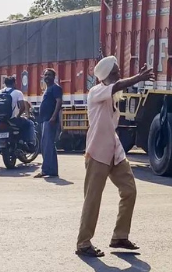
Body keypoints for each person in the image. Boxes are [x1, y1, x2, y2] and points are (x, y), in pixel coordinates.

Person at [76, 56, 154, 258]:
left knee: (129, 190)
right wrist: (138, 78)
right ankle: (83, 243)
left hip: (115, 152)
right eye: (115, 72)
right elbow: (118, 85)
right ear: (106, 76)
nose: (119, 75)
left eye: (118, 71)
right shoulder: (96, 92)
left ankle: (120, 236)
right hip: (97, 153)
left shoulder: (112, 96)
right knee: (92, 199)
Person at [0, 75, 34, 168]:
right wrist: (18, 116)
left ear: (5, 83)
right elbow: (22, 107)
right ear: (14, 83)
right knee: (29, 124)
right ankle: (30, 144)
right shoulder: (17, 92)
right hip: (12, 120)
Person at [35, 68, 63, 178]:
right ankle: (53, 171)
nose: (47, 77)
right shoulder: (48, 89)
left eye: (49, 75)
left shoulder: (55, 88)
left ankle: (45, 170)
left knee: (46, 146)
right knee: (49, 146)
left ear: (54, 77)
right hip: (45, 119)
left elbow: (59, 102)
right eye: (45, 75)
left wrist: (53, 117)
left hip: (49, 120)